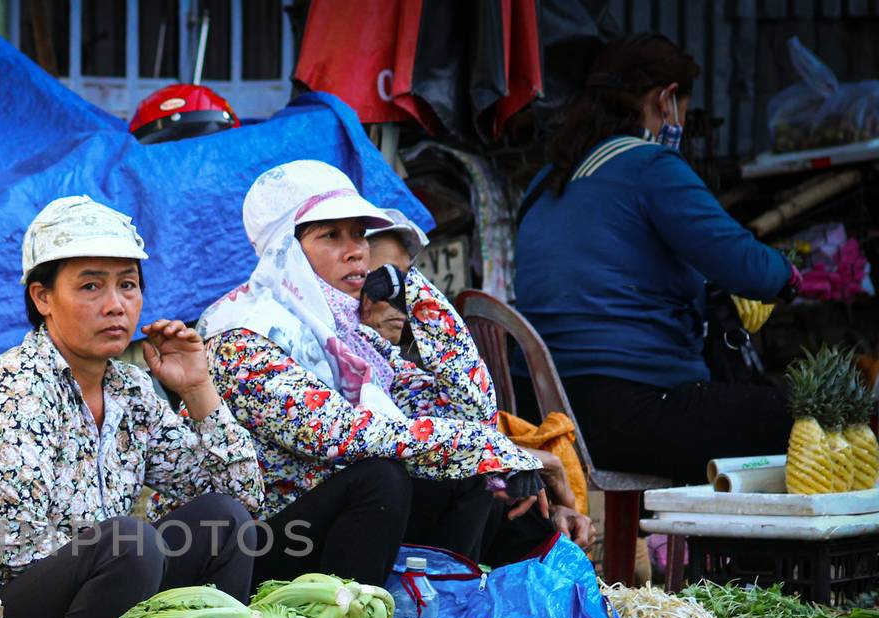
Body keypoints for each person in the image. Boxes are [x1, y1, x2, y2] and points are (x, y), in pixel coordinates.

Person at [0, 195, 264, 618]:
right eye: (91, 287)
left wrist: (198, 389)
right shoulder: (16, 387)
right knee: (130, 542)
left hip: (102, 590)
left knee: (224, 523)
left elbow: (241, 496)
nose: (115, 305)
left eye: (128, 285)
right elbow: (15, 547)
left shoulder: (132, 387)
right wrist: (137, 566)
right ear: (43, 298)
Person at [200, 160, 541, 587]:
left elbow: (471, 410)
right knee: (381, 477)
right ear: (284, 250)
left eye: (359, 233)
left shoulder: (351, 339)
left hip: (335, 528)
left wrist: (414, 293)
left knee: (469, 480)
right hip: (263, 546)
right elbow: (337, 435)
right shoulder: (242, 336)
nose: (356, 250)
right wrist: (486, 448)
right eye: (330, 235)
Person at [514, 33, 797, 487]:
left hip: (544, 413)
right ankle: (753, 557)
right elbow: (747, 267)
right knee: (810, 421)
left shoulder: (547, 179)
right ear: (666, 100)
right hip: (630, 414)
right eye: (683, 107)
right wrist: (791, 273)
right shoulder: (651, 167)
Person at [360, 212, 595, 562]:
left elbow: (474, 411)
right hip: (379, 505)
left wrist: (528, 465)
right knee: (477, 480)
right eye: (385, 281)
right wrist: (531, 461)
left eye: (407, 283)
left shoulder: (395, 363)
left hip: (419, 496)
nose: (401, 301)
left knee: (534, 515)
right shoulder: (338, 350)